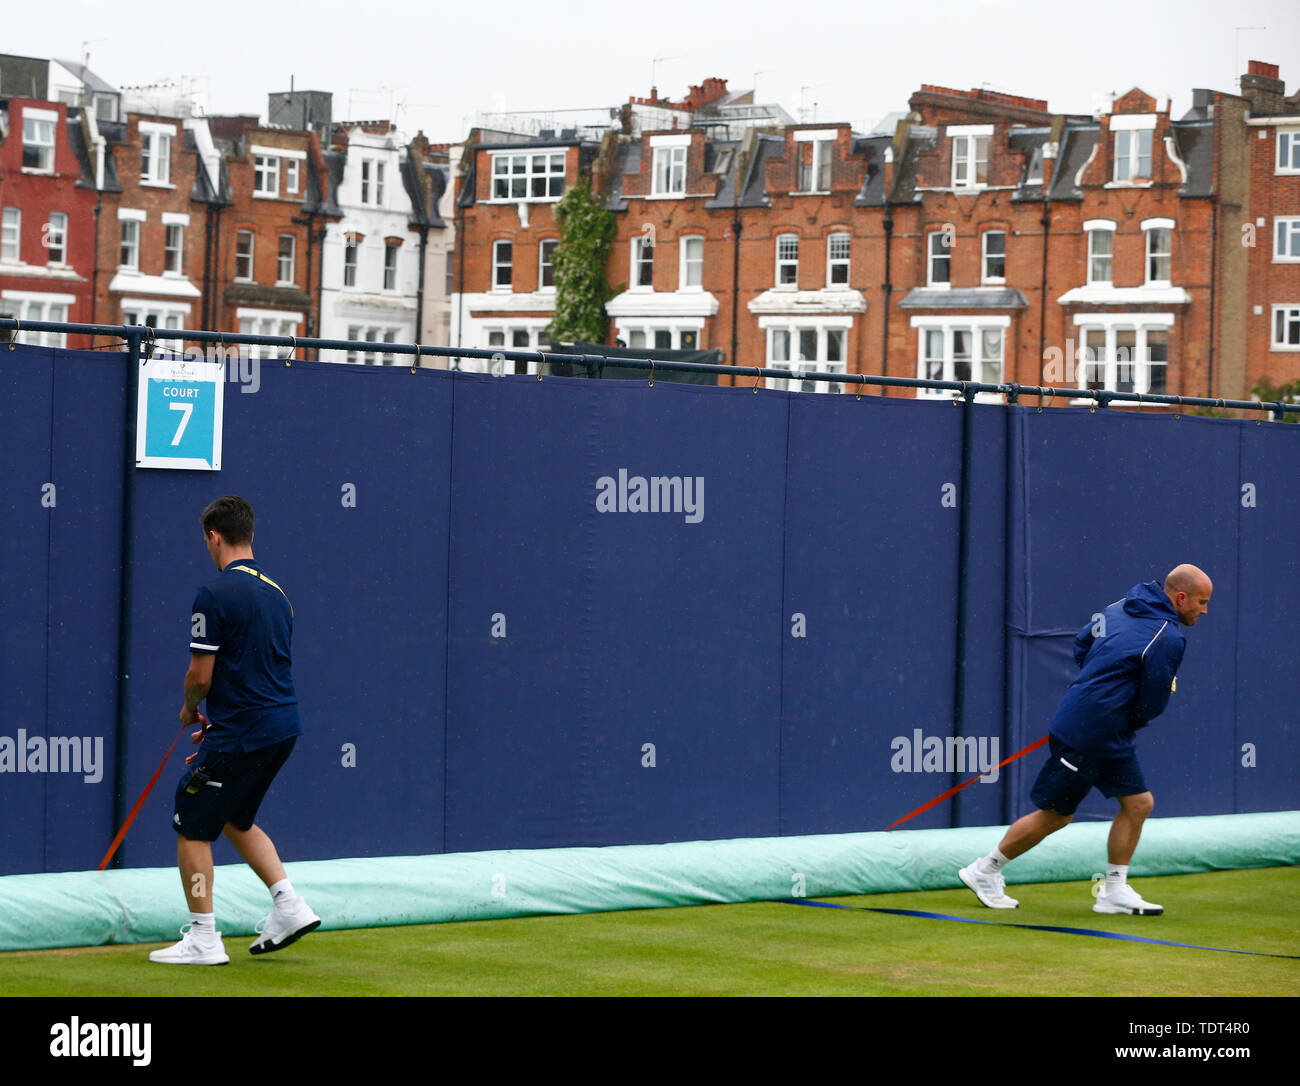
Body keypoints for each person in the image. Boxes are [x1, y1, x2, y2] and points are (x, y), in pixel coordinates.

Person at [958, 564, 1212, 916]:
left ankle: (1113, 891)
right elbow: (1153, 701)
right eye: (1201, 602)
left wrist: (1103, 688)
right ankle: (984, 870)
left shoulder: (1119, 607)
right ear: (1180, 598)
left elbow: (1083, 644)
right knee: (1056, 815)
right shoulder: (1167, 637)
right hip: (1089, 732)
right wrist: (1113, 704)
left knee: (1139, 803)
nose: (1205, 610)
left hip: (1107, 730)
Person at [150, 495, 320, 965]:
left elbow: (200, 677)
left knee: (191, 812)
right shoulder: (278, 594)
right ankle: (290, 904)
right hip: (281, 727)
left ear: (213, 537)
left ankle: (204, 938)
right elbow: (259, 669)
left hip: (246, 729)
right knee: (233, 816)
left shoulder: (213, 594)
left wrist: (190, 711)